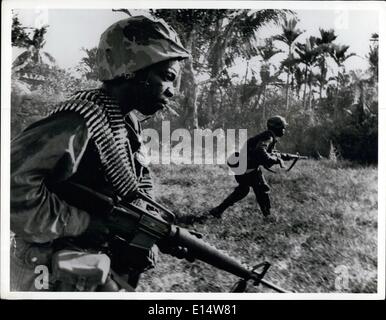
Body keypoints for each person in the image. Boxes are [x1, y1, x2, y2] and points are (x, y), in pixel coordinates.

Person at [10, 15, 190, 291]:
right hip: (49, 266)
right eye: (167, 77)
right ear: (134, 69)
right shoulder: (78, 120)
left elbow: (137, 182)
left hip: (91, 260)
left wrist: (147, 227)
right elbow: (11, 186)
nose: (172, 92)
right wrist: (83, 223)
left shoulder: (123, 121)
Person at [209, 116, 289, 219]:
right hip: (248, 169)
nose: (284, 130)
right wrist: (275, 160)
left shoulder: (266, 136)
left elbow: (262, 152)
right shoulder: (269, 137)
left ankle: (217, 210)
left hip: (241, 168)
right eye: (283, 127)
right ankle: (268, 216)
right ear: (277, 127)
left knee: (242, 190)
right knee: (262, 189)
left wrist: (280, 156)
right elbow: (260, 151)